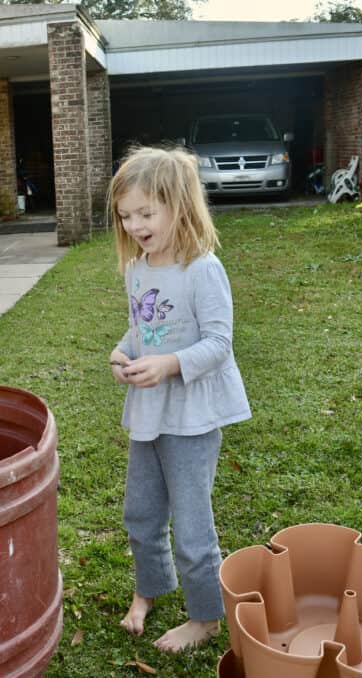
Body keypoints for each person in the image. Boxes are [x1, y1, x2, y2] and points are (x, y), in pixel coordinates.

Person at [106, 146, 251, 653]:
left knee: (192, 526)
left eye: (146, 213)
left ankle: (206, 618)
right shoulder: (139, 268)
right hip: (149, 413)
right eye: (126, 215)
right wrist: (124, 352)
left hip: (190, 417)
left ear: (179, 205)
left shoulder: (202, 269)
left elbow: (219, 342)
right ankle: (150, 588)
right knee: (141, 514)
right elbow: (143, 326)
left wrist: (168, 365)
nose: (135, 224)